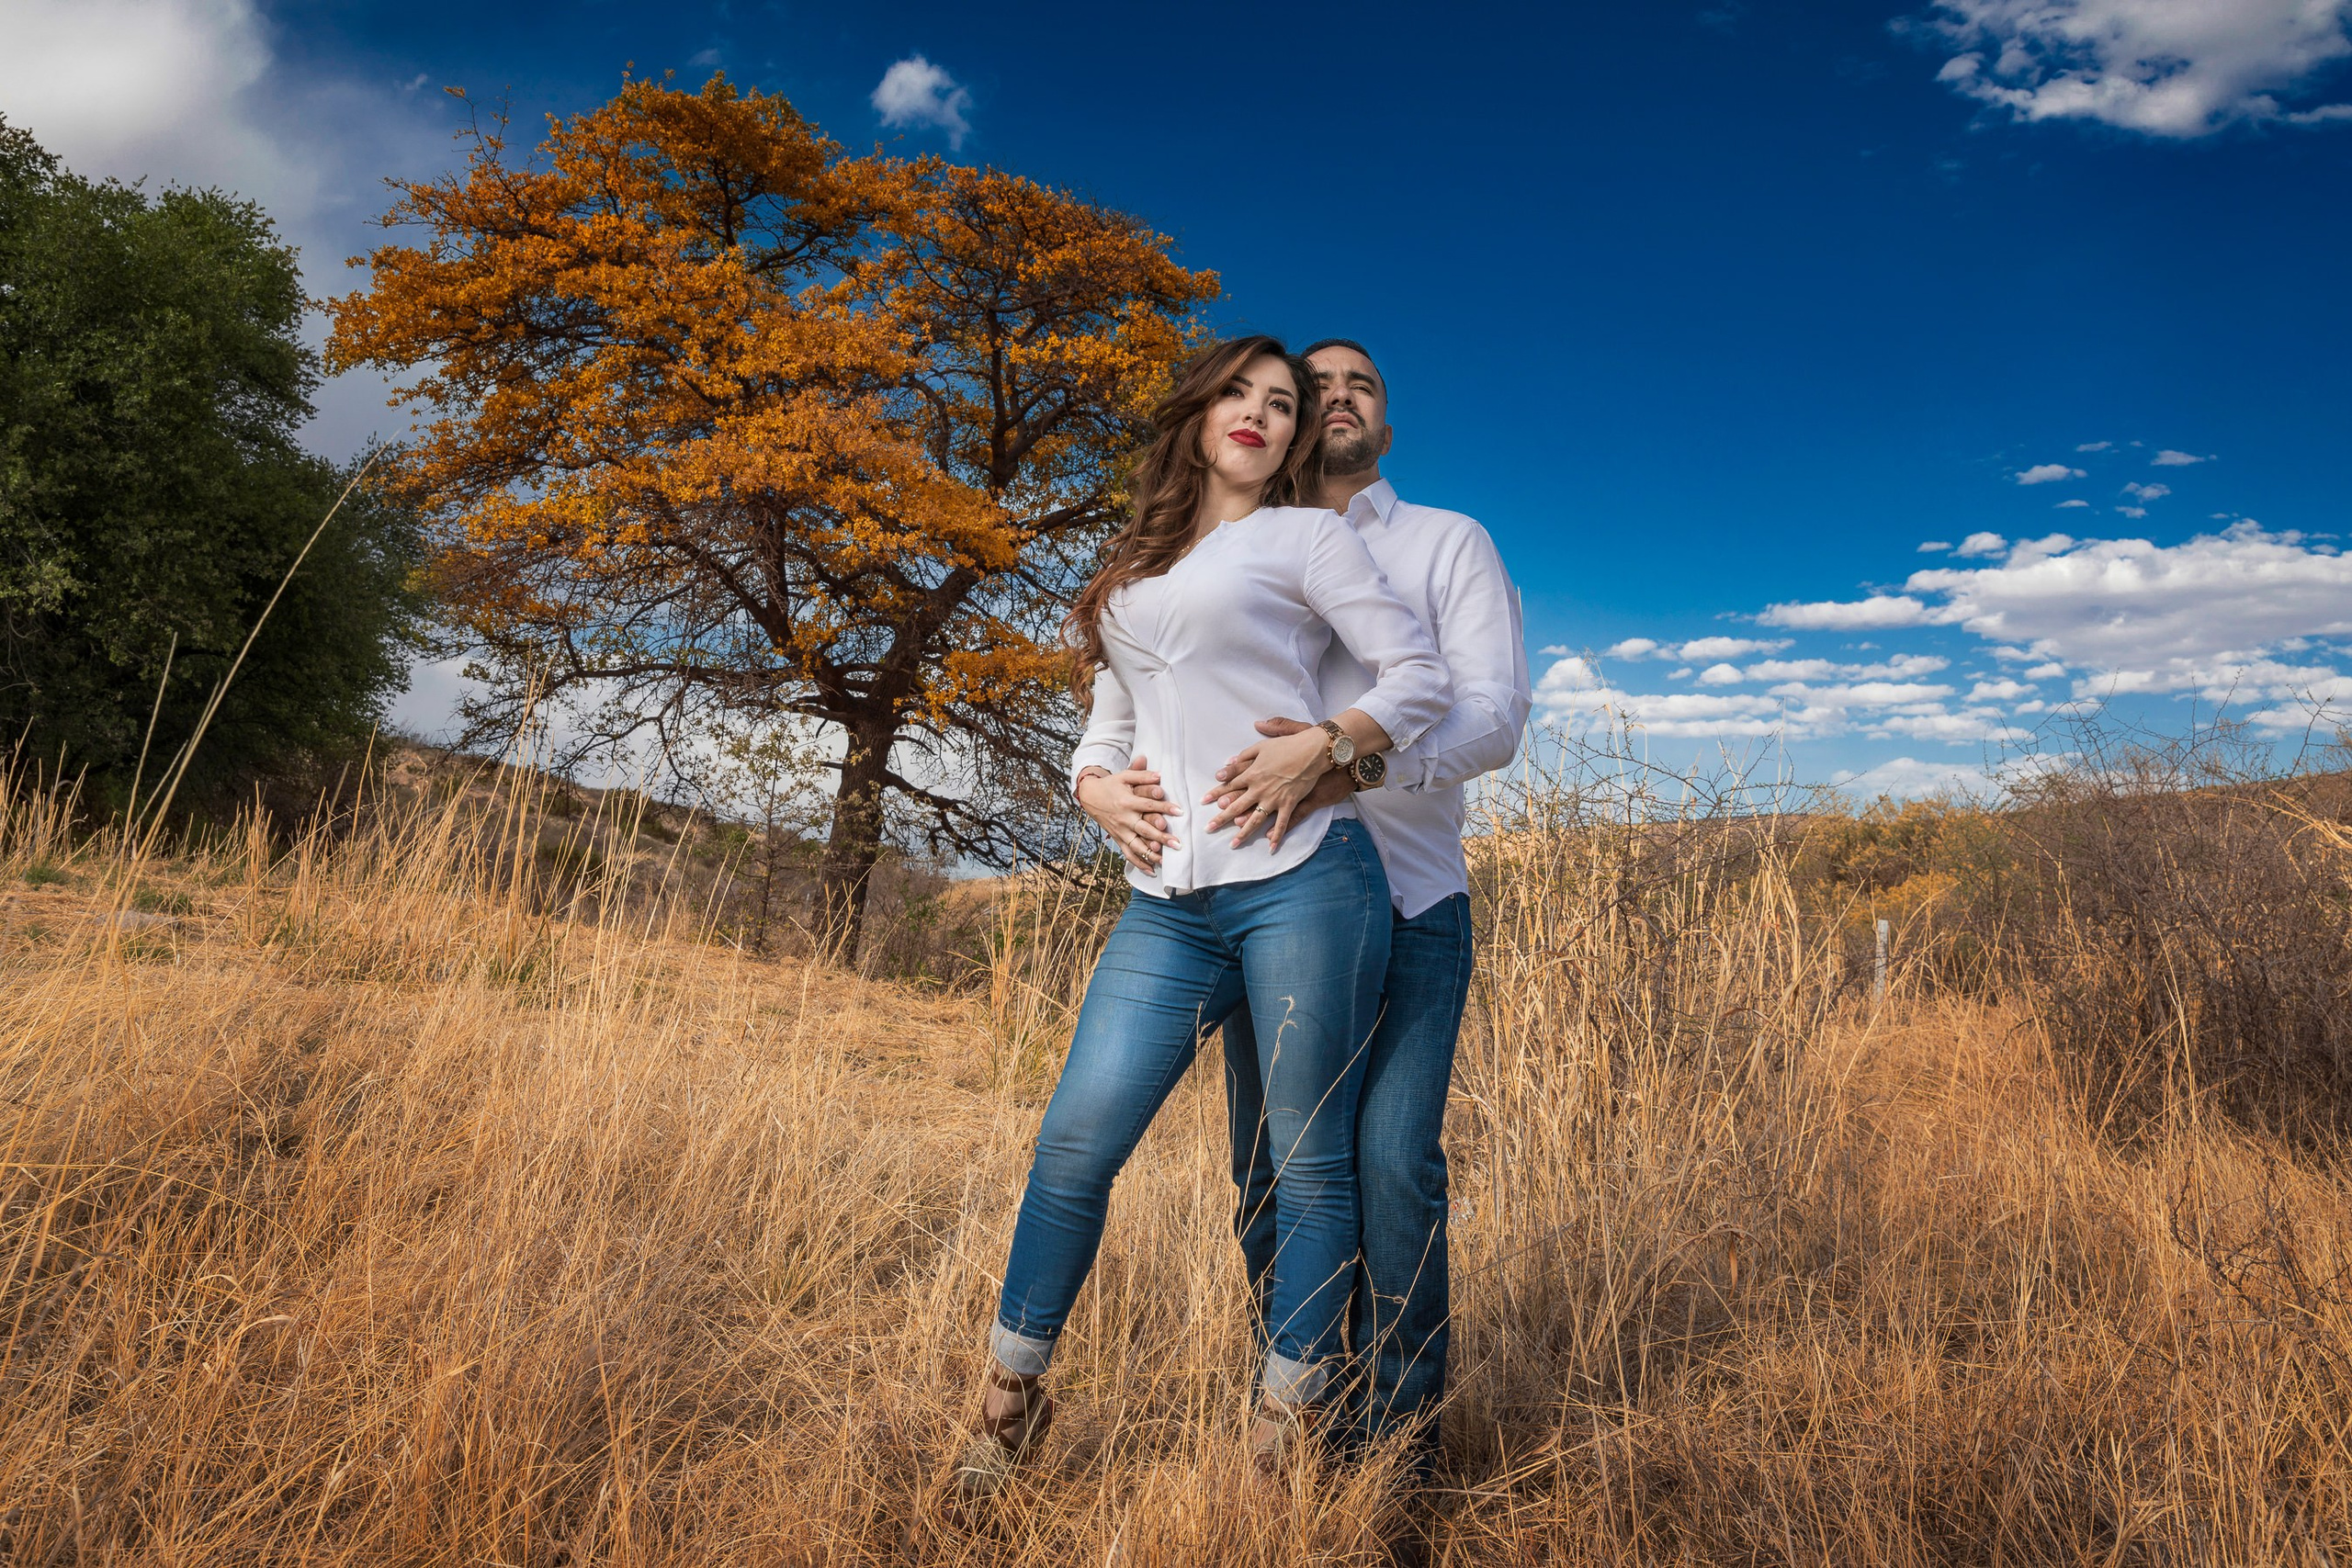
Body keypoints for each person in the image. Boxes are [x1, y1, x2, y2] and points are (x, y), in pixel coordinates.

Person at [953, 335, 1452, 1506]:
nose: (1264, 414)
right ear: (1197, 411)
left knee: (1306, 1170)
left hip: (1303, 888)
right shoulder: (1132, 566)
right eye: (1241, 391)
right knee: (1074, 1147)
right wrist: (1089, 786)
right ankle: (1004, 1411)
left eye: (1282, 405)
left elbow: (1417, 675)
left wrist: (1327, 747)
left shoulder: (1306, 539)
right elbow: (1104, 722)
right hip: (1163, 911)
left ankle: (1280, 1446)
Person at [1100, 340, 1529, 1483]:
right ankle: (1297, 1411)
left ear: (1382, 422)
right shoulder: (1238, 550)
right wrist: (1098, 783)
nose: (1333, 399)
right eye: (1310, 387)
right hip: (1266, 892)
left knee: (1389, 1167)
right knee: (1270, 1170)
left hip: (1408, 894)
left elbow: (1490, 715)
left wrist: (1348, 762)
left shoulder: (1445, 542)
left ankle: (1397, 1440)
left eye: (1361, 385)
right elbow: (1141, 695)